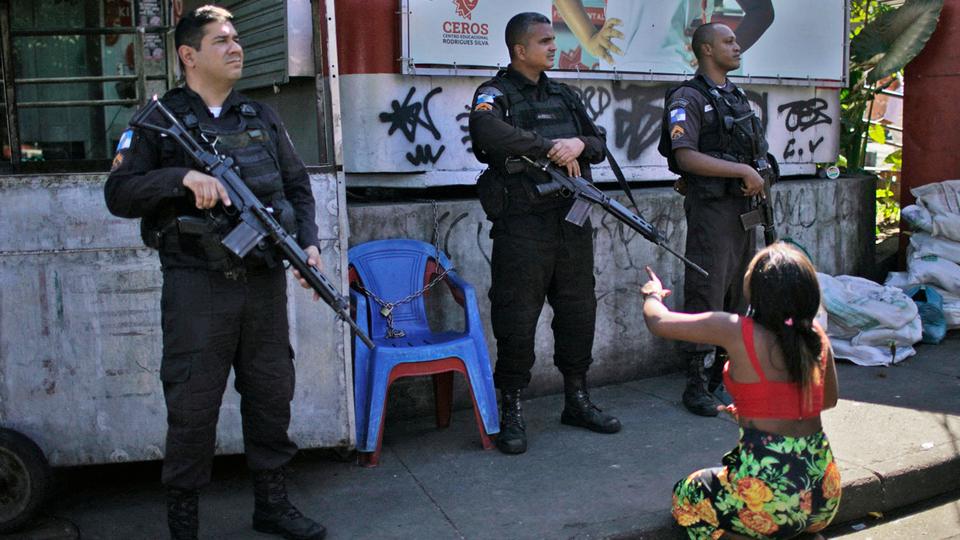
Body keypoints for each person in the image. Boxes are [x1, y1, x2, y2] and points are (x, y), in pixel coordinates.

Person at [104, 6, 325, 540]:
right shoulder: (158, 121)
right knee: (193, 405)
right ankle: (184, 522)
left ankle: (271, 505)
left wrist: (309, 244)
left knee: (272, 392)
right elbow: (119, 193)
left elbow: (296, 186)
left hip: (264, 283)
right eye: (221, 40)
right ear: (188, 55)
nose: (235, 47)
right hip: (196, 287)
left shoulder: (260, 117)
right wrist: (180, 177)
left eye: (237, 38)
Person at [468, 12, 621, 455]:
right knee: (516, 319)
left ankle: (577, 399)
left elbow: (597, 143)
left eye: (554, 40)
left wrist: (576, 145)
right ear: (520, 49)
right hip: (522, 228)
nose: (554, 47)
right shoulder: (494, 94)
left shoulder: (565, 94)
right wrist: (546, 148)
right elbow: (485, 131)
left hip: (571, 223)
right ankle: (511, 407)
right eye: (545, 41)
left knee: (578, 313)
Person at [641, 243, 840, 539]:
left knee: (688, 495)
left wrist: (652, 294)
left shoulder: (735, 330)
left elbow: (658, 321)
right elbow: (828, 399)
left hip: (772, 501)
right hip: (824, 494)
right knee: (744, 481)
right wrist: (761, 407)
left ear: (760, 290)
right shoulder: (814, 335)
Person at [657, 22, 771, 417]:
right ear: (706, 50)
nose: (737, 46)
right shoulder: (688, 97)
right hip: (712, 213)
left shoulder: (736, 97)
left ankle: (722, 377)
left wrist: (760, 172)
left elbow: (759, 154)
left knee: (736, 296)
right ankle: (697, 383)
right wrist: (740, 172)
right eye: (728, 41)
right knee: (707, 293)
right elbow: (685, 156)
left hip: (743, 213)